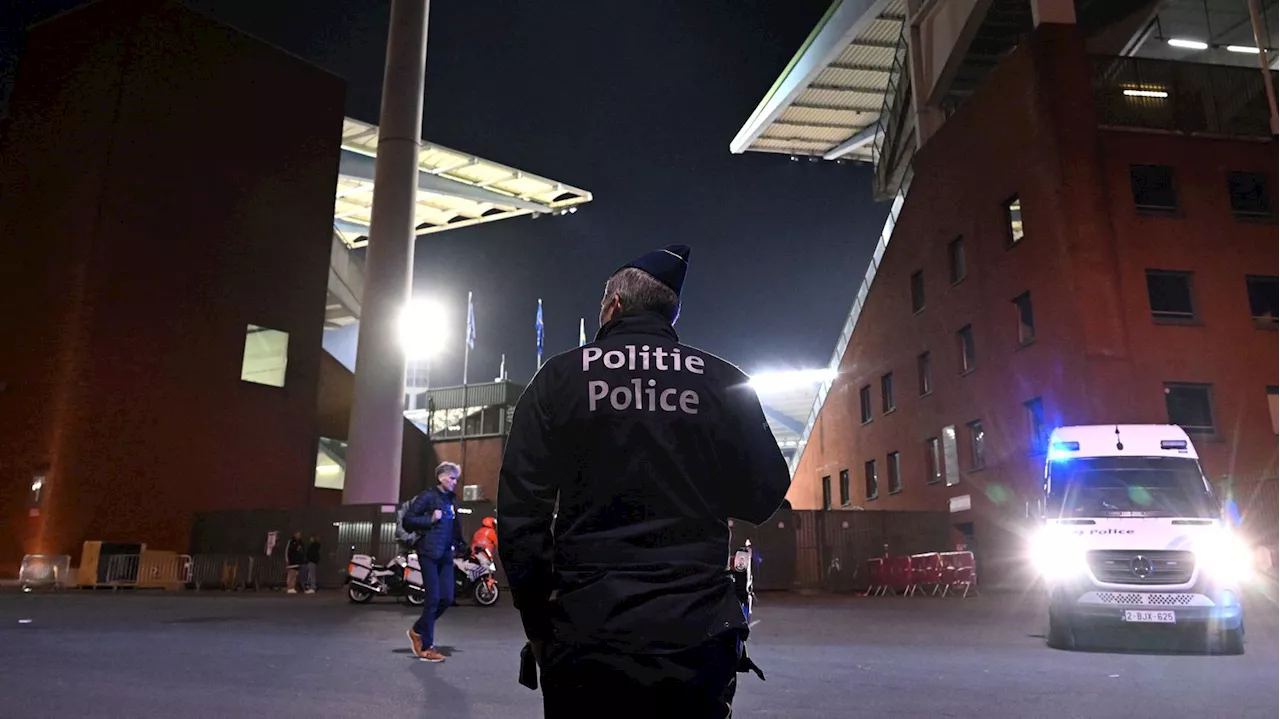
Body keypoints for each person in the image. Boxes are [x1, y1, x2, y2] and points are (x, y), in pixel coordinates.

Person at [497, 245, 791, 717]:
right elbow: (765, 494)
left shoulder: (558, 379)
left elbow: (520, 518)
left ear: (613, 305)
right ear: (670, 312)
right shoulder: (722, 381)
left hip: (587, 632)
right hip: (696, 634)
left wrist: (538, 623)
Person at [402, 461, 466, 663]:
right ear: (441, 477)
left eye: (456, 478)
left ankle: (417, 630)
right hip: (428, 552)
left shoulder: (452, 499)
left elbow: (455, 528)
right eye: (452, 478)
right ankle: (426, 646)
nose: (455, 482)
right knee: (433, 598)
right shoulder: (428, 496)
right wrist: (429, 518)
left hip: (446, 554)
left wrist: (464, 546)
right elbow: (408, 520)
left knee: (447, 598)